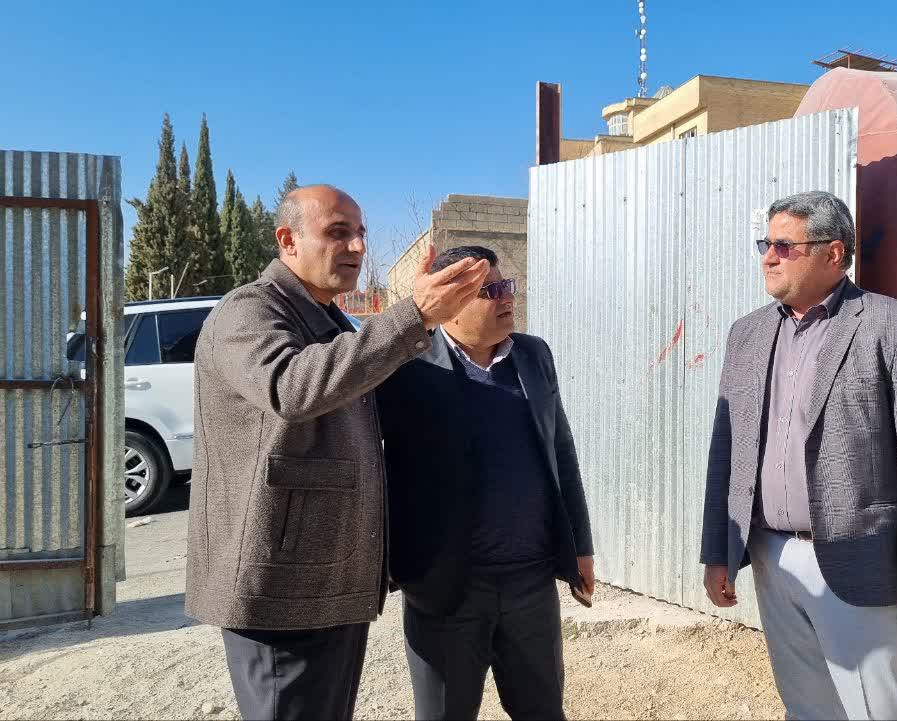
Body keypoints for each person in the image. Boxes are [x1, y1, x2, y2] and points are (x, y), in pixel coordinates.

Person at [184, 184, 490, 721]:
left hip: (328, 579)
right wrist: (414, 315)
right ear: (288, 240)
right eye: (337, 232)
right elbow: (291, 387)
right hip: (282, 589)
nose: (357, 247)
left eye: (360, 233)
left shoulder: (328, 318)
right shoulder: (249, 310)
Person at [699, 191, 897, 720]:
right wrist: (717, 552)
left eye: (784, 246)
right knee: (807, 707)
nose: (768, 257)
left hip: (860, 560)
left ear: (833, 253)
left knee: (878, 710)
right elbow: (727, 451)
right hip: (771, 555)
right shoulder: (747, 334)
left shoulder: (893, 326)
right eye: (765, 245)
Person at [377, 245, 594, 721]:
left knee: (543, 712)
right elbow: (374, 465)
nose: (506, 298)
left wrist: (580, 546)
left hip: (531, 584)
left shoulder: (534, 355)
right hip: (446, 589)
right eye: (489, 291)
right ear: (451, 304)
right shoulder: (406, 367)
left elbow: (561, 452)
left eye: (506, 286)